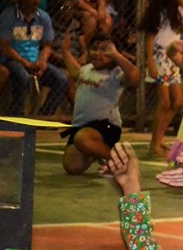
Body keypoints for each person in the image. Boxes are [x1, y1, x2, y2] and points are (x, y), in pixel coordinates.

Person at [60, 33, 140, 175]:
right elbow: (74, 71)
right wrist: (65, 51)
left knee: (82, 139)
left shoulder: (115, 73)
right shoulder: (87, 69)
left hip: (106, 126)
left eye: (105, 50)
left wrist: (116, 55)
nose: (97, 53)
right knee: (72, 167)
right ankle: (96, 153)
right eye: (95, 49)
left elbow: (135, 78)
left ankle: (120, 161)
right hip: (82, 126)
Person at [140, 0, 183, 158]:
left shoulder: (178, 12)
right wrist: (150, 61)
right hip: (160, 56)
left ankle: (159, 138)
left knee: (178, 102)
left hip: (173, 58)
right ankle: (154, 143)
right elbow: (150, 38)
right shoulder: (160, 12)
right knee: (165, 102)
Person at [0, 0, 68, 117]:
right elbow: (4, 47)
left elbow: (47, 46)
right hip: (13, 60)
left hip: (35, 60)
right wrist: (26, 63)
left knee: (61, 79)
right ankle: (17, 114)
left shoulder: (43, 17)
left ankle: (45, 116)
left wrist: (42, 62)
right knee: (23, 76)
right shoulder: (8, 15)